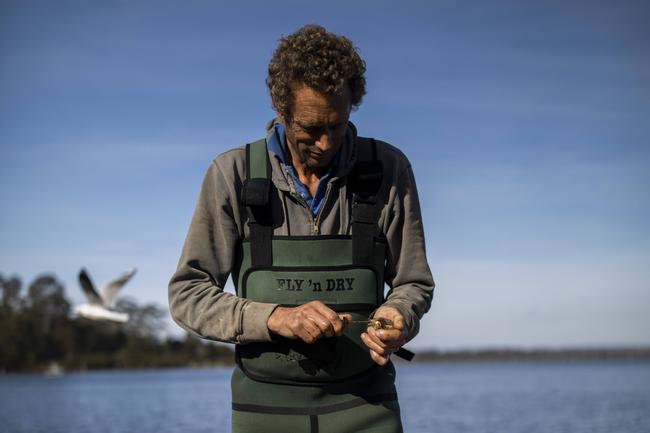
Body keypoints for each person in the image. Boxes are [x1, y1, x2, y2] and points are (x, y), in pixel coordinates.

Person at [169, 24, 434, 433]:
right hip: (264, 410)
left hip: (368, 406)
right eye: (310, 128)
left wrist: (398, 315)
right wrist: (275, 317)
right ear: (281, 108)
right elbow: (188, 294)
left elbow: (413, 282)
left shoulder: (390, 170)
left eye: (338, 125)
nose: (325, 143)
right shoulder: (232, 174)